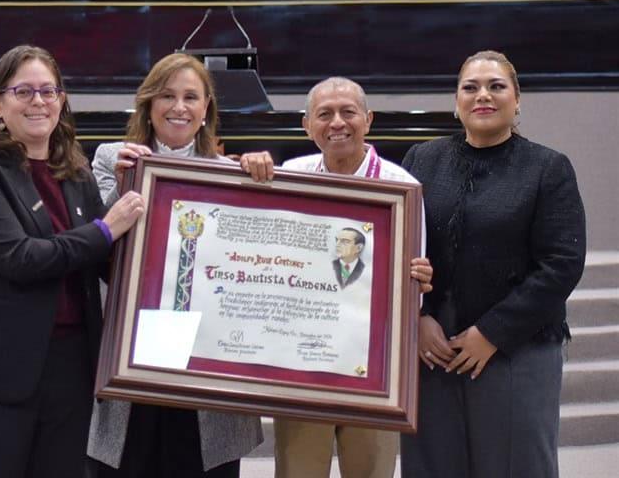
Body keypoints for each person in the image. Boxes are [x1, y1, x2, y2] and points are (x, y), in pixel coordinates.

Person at [0, 45, 144, 478]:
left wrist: (151, 195)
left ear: (62, 100)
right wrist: (108, 227)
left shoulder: (77, 173)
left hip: (72, 368)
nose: (39, 102)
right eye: (24, 91)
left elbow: (102, 262)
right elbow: (21, 258)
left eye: (49, 91)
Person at [398, 50, 586, 478]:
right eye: (471, 87)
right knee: (434, 466)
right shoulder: (422, 160)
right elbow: (403, 249)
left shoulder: (548, 168)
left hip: (518, 347)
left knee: (516, 466)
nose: (483, 95)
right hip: (434, 350)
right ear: (457, 100)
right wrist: (420, 317)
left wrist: (491, 334)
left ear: (517, 100)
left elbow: (563, 264)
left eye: (496, 86)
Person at [241, 76, 433, 478]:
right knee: (298, 471)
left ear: (369, 119)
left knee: (371, 471)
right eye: (324, 114)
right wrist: (246, 165)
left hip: (376, 366)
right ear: (307, 125)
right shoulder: (288, 177)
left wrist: (418, 279)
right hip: (303, 361)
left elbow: (411, 289)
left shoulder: (403, 187)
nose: (337, 123)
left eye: (348, 112)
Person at [87, 53, 263, 478]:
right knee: (129, 461)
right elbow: (94, 246)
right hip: (134, 348)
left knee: (199, 460)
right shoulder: (113, 159)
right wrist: (126, 184)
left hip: (207, 355)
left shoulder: (233, 173)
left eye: (191, 97)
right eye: (167, 95)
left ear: (206, 110)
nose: (179, 107)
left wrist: (261, 179)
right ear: (148, 104)